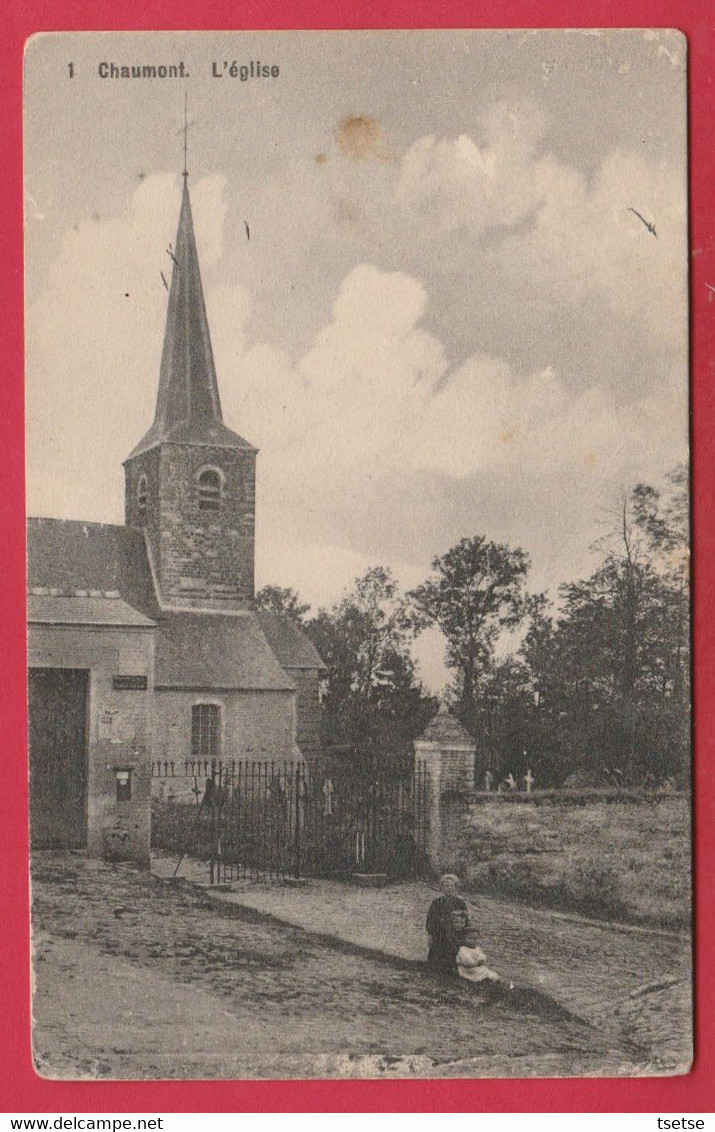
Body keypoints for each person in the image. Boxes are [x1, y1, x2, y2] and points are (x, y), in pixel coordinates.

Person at [425, 874, 468, 976]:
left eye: (451, 886)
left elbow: (466, 920)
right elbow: (430, 921)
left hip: (455, 934)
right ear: (442, 888)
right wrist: (431, 934)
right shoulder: (436, 903)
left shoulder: (460, 903)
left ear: (455, 888)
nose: (449, 888)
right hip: (439, 935)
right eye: (446, 886)